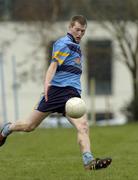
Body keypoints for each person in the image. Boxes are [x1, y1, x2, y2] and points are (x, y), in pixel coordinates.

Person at [0, 15, 112, 170]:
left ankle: (88, 161)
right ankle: (7, 129)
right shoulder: (64, 44)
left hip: (71, 96)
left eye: (83, 31)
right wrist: (46, 85)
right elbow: (52, 67)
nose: (80, 33)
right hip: (55, 93)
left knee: (83, 126)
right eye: (77, 29)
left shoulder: (77, 47)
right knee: (29, 126)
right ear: (70, 27)